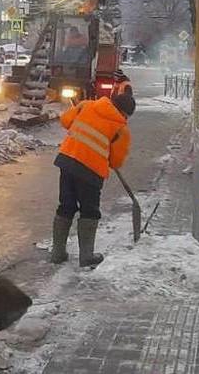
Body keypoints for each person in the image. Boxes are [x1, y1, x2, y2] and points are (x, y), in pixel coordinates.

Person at [50, 94, 133, 268]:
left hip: (67, 160)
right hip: (91, 171)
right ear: (124, 113)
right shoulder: (120, 129)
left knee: (66, 205)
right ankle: (86, 256)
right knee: (89, 211)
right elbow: (116, 161)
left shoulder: (86, 105)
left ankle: (57, 253)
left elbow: (65, 121)